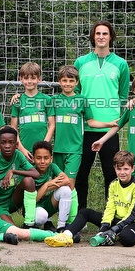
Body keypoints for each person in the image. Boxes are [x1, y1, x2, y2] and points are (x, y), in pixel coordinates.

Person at [91, 73, 135, 230]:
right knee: (133, 192)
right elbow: (117, 126)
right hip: (133, 161)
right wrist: (101, 140)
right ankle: (131, 221)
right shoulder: (131, 108)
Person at [73, 20, 130, 208]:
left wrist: (116, 119)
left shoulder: (121, 64)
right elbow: (76, 92)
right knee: (81, 174)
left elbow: (122, 95)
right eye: (98, 33)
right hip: (85, 127)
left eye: (105, 33)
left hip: (110, 128)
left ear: (111, 37)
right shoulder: (80, 62)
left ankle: (109, 217)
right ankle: (79, 215)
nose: (101, 37)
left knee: (111, 174)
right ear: (93, 37)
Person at [45, 150, 135, 248]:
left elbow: (133, 214)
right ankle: (66, 235)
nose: (122, 172)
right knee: (85, 212)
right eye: (119, 169)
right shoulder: (113, 184)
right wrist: (103, 228)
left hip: (134, 221)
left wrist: (114, 230)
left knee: (126, 239)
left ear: (132, 168)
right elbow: (110, 208)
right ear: (114, 168)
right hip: (116, 220)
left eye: (126, 169)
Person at [0, 126, 40, 228]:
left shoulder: (18, 155)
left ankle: (29, 223)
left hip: (12, 200)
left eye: (11, 142)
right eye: (4, 143)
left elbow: (36, 174)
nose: (7, 146)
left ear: (16, 145)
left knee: (29, 181)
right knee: (13, 229)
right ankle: (2, 218)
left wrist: (13, 171)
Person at [49, 65, 85, 224]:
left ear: (77, 82)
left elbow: (90, 121)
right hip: (57, 150)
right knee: (55, 183)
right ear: (59, 82)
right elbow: (51, 124)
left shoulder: (82, 100)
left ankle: (70, 222)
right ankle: (49, 218)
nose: (68, 83)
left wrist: (110, 123)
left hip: (75, 149)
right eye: (64, 80)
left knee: (69, 183)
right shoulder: (54, 100)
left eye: (71, 80)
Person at [9, 62, 54, 162]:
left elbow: (52, 125)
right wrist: (21, 149)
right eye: (26, 78)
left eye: (33, 78)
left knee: (42, 177)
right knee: (24, 177)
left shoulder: (47, 99)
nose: (29, 81)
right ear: (21, 79)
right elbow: (13, 128)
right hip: (24, 150)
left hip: (42, 151)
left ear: (39, 79)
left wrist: (44, 146)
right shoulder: (17, 101)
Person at [30, 140, 74, 232]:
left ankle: (61, 227)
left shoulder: (52, 167)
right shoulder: (31, 172)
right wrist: (46, 185)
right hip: (34, 207)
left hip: (48, 203)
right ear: (33, 158)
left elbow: (66, 180)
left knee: (66, 190)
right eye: (38, 158)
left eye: (46, 158)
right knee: (41, 216)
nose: (42, 161)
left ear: (51, 158)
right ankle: (32, 224)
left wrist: (48, 187)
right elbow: (34, 200)